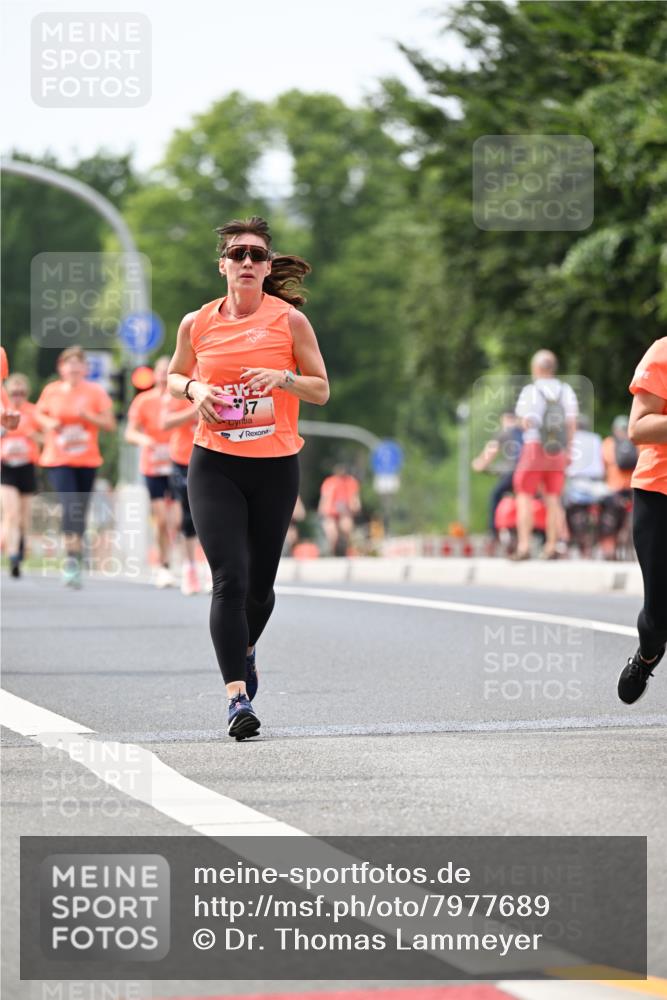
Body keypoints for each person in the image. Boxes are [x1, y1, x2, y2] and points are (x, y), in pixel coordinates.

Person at [167, 216, 329, 740]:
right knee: (229, 579)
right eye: (237, 254)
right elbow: (173, 375)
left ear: (266, 266)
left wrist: (283, 378)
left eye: (256, 255)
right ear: (223, 266)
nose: (247, 262)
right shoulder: (197, 322)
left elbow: (321, 389)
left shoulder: (289, 322)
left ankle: (248, 646)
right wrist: (195, 390)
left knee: (260, 588)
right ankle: (237, 697)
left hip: (275, 466)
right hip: (214, 463)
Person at [35, 346, 116, 588]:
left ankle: (75, 556)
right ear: (61, 368)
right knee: (70, 505)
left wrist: (88, 416)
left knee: (79, 510)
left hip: (87, 460)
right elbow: (37, 414)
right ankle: (71, 561)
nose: (73, 368)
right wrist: (50, 422)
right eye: (69, 364)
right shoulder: (51, 391)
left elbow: (110, 424)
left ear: (85, 369)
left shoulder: (95, 392)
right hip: (58, 459)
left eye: (78, 364)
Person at [617, 337, 667, 703]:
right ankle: (648, 654)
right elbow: (638, 428)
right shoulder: (663, 352)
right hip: (659, 491)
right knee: (659, 615)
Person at [512, 349, 578, 560]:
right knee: (553, 498)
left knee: (524, 495)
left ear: (536, 368)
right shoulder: (566, 390)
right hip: (557, 449)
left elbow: (524, 422)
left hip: (534, 446)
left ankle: (524, 546)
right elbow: (571, 424)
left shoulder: (530, 391)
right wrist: (569, 450)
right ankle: (551, 545)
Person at [125, 356, 181, 588]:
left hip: (177, 462)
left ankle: (173, 559)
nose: (163, 376)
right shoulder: (143, 401)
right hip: (153, 465)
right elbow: (130, 433)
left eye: (168, 372)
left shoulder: (181, 398)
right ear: (154, 375)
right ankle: (163, 565)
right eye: (160, 371)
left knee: (176, 520)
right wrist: (144, 440)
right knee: (161, 520)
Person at [159, 388, 202, 595]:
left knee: (216, 514)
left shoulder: (220, 382)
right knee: (188, 517)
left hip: (214, 455)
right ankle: (190, 568)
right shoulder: (180, 389)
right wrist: (195, 411)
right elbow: (165, 422)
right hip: (183, 460)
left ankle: (215, 571)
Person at [0, 373, 42, 577]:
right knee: (11, 513)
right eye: (14, 393)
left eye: (21, 393)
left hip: (27, 466)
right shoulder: (3, 412)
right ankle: (13, 557)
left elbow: (48, 437)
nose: (17, 397)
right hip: (7, 467)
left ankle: (20, 545)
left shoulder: (34, 412)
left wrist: (33, 436)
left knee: (24, 517)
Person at [471, 411, 523, 549]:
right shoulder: (526, 433)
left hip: (512, 473)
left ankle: (493, 533)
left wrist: (479, 464)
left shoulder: (505, 433)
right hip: (530, 474)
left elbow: (489, 453)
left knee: (495, 496)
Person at [599, 415, 637, 559]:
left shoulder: (608, 443)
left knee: (609, 519)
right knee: (630, 520)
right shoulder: (636, 442)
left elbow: (602, 467)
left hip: (613, 489)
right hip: (633, 489)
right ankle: (629, 548)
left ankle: (610, 549)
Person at [318, 464, 361, 556]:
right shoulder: (329, 482)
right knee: (332, 533)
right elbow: (325, 498)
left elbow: (354, 499)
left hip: (345, 511)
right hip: (331, 512)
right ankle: (333, 553)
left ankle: (347, 551)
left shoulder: (350, 482)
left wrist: (355, 508)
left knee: (346, 527)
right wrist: (322, 512)